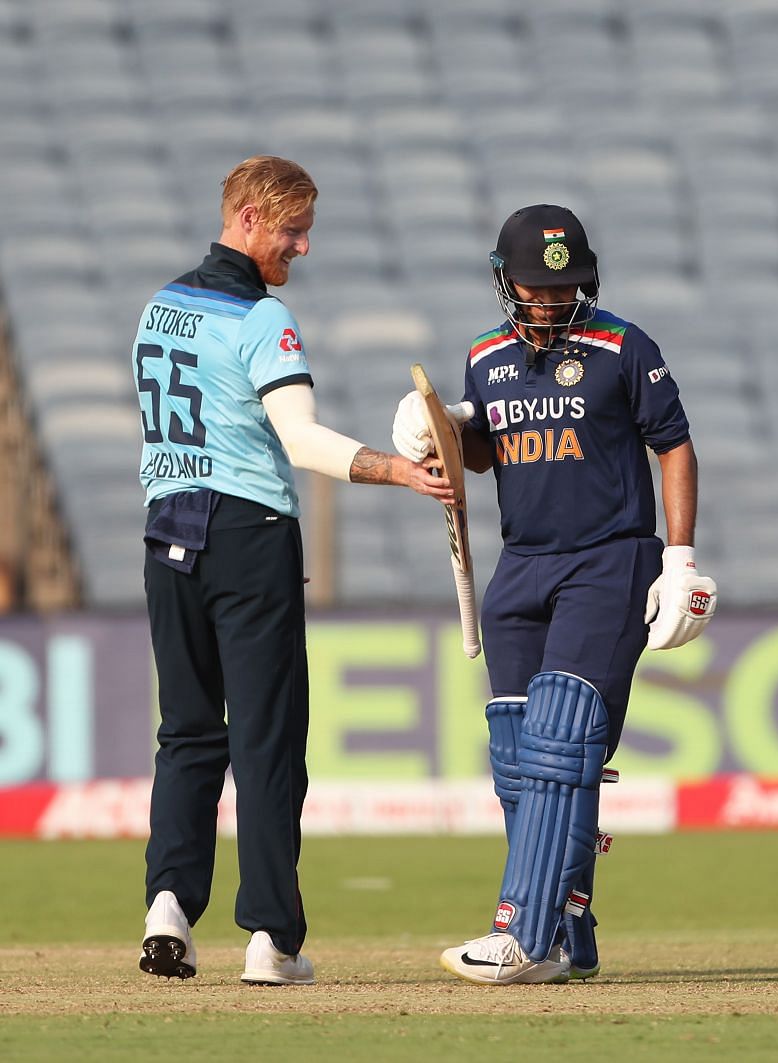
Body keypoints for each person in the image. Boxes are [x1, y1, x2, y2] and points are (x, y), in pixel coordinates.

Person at [132, 155, 452, 986]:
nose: (302, 247)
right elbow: (303, 442)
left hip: (167, 529)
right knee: (267, 740)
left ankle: (167, 905)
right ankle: (271, 938)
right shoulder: (260, 316)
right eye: (292, 229)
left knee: (188, 730)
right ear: (246, 220)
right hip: (247, 533)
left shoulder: (159, 307)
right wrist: (399, 470)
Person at [392, 203, 717, 985]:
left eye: (563, 287)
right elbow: (478, 456)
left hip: (609, 560)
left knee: (561, 743)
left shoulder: (622, 346)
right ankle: (570, 926)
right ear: (505, 282)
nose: (548, 301)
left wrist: (678, 559)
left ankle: (522, 933)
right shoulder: (485, 356)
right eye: (535, 288)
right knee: (518, 756)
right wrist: (437, 427)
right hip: (522, 564)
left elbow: (672, 445)